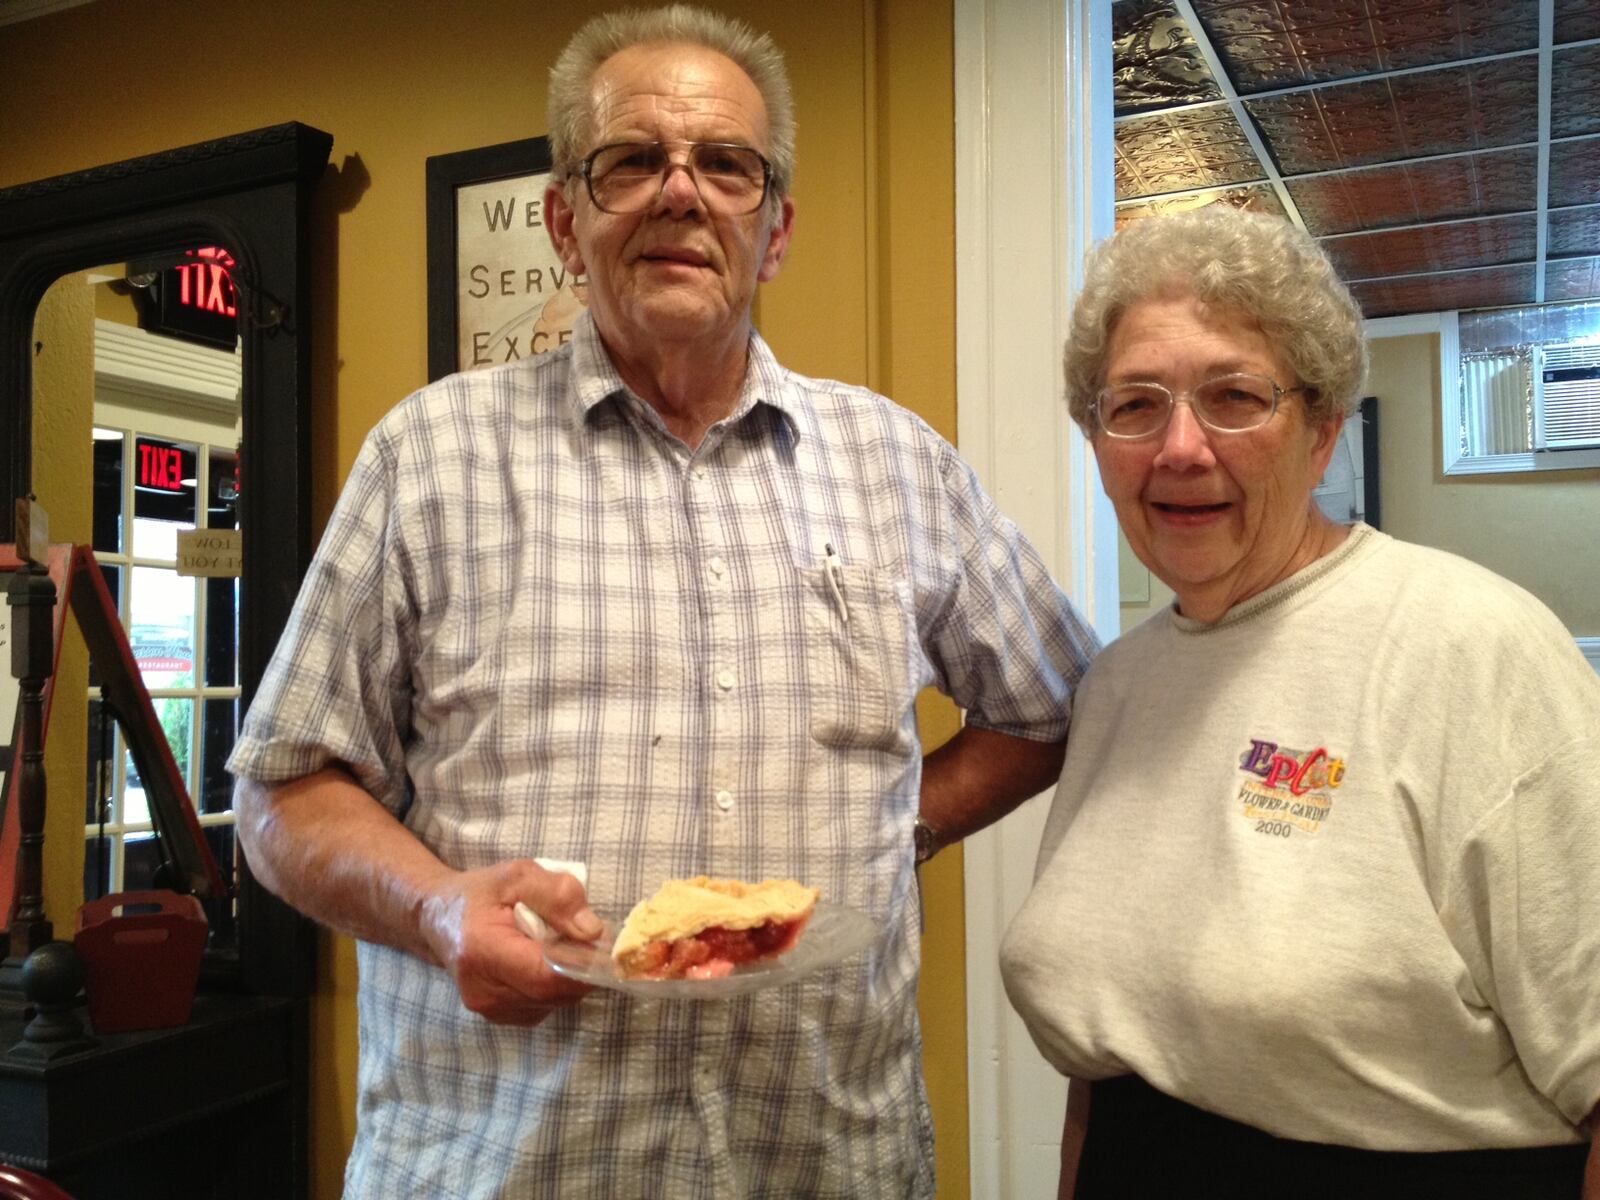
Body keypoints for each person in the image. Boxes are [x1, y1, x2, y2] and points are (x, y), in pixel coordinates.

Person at [228, 6, 1098, 1197]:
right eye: (630, 161)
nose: (679, 193)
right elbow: (283, 793)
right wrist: (437, 913)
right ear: (562, 221)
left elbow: (1047, 705)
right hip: (507, 1164)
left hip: (819, 1161)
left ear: (774, 228)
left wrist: (899, 830)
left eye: (725, 165)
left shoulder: (900, 464)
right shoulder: (428, 458)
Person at [999, 205, 1600, 1198]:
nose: (1180, 449)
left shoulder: (1469, 645)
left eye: (1234, 396)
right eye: (1135, 405)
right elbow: (1109, 1066)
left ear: (1321, 432)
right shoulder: (1116, 685)